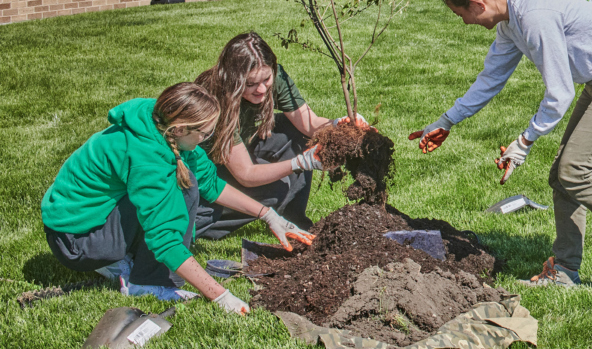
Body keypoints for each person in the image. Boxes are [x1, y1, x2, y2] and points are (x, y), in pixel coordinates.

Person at [411, 0, 592, 293]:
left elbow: (559, 93)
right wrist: (446, 122)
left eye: (460, 13)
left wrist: (524, 141)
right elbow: (489, 80)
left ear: (477, 3)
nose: (464, 22)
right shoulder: (512, 21)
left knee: (576, 170)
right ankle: (565, 272)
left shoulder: (533, 14)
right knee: (563, 176)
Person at [42, 82, 314, 308]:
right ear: (181, 129)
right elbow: (165, 240)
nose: (205, 140)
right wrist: (220, 295)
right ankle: (146, 282)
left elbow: (211, 184)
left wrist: (268, 215)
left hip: (88, 223)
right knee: (183, 188)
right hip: (77, 241)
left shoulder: (161, 123)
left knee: (190, 182)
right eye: (204, 134)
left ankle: (121, 261)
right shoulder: (148, 158)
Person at [193, 32, 366, 240]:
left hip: (245, 144)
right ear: (233, 80)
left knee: (299, 135)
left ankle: (294, 219)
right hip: (209, 169)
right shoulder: (215, 99)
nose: (261, 89)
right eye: (250, 84)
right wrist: (299, 163)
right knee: (276, 188)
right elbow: (245, 175)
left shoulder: (275, 77)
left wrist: (340, 124)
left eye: (266, 79)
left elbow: (308, 123)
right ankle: (214, 220)